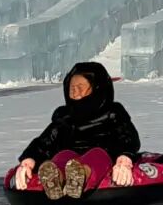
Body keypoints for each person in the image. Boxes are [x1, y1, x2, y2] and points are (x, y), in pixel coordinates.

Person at [13, 62, 140, 198]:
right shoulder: (64, 117)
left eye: (80, 87)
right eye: (71, 87)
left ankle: (81, 176)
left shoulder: (112, 113)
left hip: (103, 155)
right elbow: (44, 142)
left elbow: (128, 137)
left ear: (96, 88)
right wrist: (29, 160)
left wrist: (124, 158)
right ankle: (56, 178)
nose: (74, 91)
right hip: (70, 156)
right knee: (63, 155)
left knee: (97, 155)